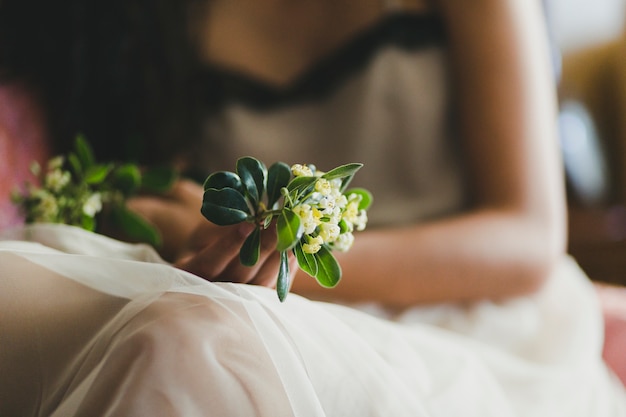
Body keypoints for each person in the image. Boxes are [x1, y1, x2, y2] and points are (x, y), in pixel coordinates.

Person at [1, 0, 625, 416]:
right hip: (251, 295)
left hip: (466, 318)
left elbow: (529, 237)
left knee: (190, 344)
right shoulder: (153, 23)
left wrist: (288, 262)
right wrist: (185, 231)